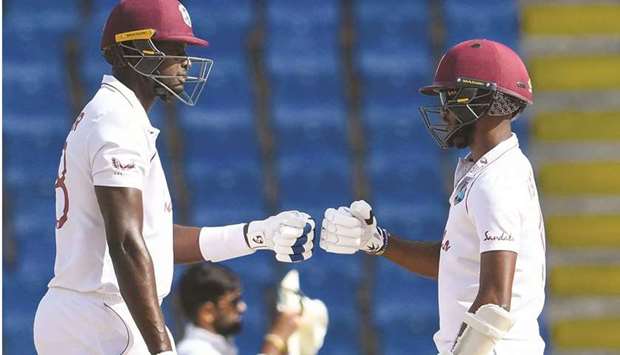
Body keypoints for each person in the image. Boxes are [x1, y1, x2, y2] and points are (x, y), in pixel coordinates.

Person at [33, 1, 315, 354]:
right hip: (103, 316)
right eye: (174, 48)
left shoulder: (112, 114)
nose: (184, 60)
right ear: (131, 50)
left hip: (84, 311)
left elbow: (151, 241)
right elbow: (125, 242)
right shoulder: (117, 121)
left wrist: (257, 235)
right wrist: (162, 348)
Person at [319, 39, 546, 355]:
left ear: (483, 100)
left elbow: (495, 299)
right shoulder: (485, 170)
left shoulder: (497, 180)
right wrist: (379, 241)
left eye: (450, 97)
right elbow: (455, 261)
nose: (443, 111)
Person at [176, 263, 302, 355]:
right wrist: (276, 339)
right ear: (207, 312)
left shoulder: (220, 345)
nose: (242, 307)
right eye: (234, 302)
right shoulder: (193, 351)